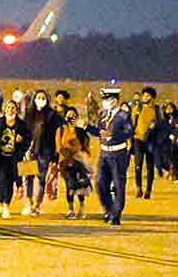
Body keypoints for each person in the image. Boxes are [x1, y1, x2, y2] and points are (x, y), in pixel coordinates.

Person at [84, 88, 134, 226]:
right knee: (100, 183)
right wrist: (86, 127)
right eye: (103, 99)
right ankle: (108, 209)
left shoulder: (124, 115)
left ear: (114, 100)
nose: (104, 102)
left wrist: (114, 136)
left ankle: (116, 214)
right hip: (104, 154)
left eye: (106, 99)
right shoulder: (103, 115)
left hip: (118, 154)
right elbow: (99, 132)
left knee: (118, 185)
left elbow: (129, 132)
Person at [0, 100, 31, 219]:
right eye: (9, 107)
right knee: (1, 182)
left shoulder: (22, 124)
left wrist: (22, 143)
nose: (11, 110)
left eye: (13, 108)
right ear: (5, 109)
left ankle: (6, 206)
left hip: (14, 158)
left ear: (16, 110)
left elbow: (28, 139)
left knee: (10, 183)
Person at [22, 90, 63, 217]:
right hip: (30, 149)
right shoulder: (29, 113)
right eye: (38, 97)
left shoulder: (52, 114)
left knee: (41, 178)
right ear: (34, 99)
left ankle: (37, 205)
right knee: (28, 177)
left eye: (43, 97)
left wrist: (56, 154)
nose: (40, 99)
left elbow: (59, 132)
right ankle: (28, 203)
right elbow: (24, 130)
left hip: (45, 151)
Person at [57, 107, 92, 219]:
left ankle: (82, 207)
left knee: (80, 185)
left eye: (73, 115)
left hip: (79, 161)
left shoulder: (81, 130)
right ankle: (70, 209)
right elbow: (59, 146)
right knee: (70, 185)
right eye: (69, 115)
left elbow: (85, 145)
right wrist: (68, 155)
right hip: (65, 162)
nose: (71, 117)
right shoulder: (61, 130)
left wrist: (83, 156)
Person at [131, 86, 161, 199]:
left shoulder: (157, 109)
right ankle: (138, 188)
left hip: (151, 141)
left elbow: (161, 124)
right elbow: (132, 123)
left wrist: (155, 125)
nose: (144, 97)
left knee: (150, 166)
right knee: (138, 165)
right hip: (138, 140)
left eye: (147, 95)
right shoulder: (137, 108)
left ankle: (148, 190)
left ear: (152, 97)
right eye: (144, 95)